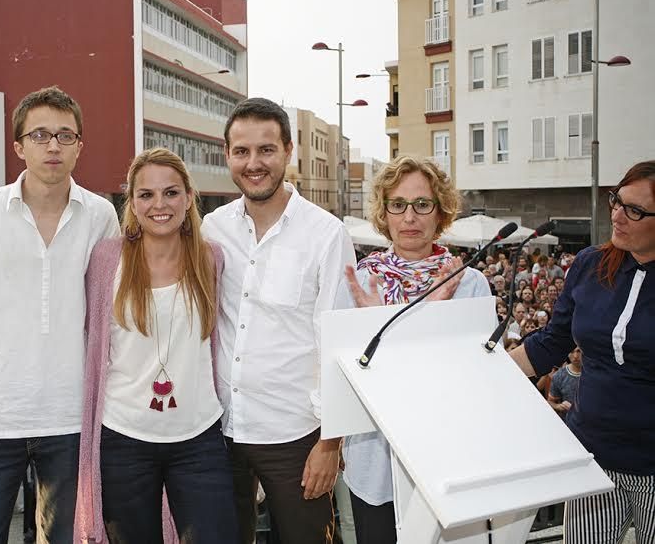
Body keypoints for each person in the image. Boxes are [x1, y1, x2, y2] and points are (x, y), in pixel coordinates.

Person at [0, 85, 120, 543]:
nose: (53, 145)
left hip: (72, 415)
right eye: (39, 135)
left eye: (65, 135)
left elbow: (110, 317)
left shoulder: (101, 216)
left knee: (67, 537)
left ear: (79, 146)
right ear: (18, 146)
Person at [201, 98, 356, 544]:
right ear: (227, 154)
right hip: (219, 429)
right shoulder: (212, 228)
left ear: (288, 150)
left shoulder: (326, 234)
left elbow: (339, 344)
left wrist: (331, 443)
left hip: (296, 435)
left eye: (266, 150)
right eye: (242, 151)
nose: (254, 163)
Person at [76, 148, 237, 543]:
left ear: (189, 198)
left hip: (199, 437)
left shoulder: (210, 259)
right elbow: (90, 339)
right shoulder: (106, 260)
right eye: (146, 194)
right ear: (132, 202)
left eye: (171, 192)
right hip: (123, 439)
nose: (159, 205)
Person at [340, 156, 490, 543]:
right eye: (398, 204)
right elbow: (344, 376)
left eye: (422, 204)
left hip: (447, 457)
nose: (410, 216)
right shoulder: (360, 281)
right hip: (375, 462)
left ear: (440, 212)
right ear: (384, 212)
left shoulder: (469, 284)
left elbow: (478, 381)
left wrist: (418, 325)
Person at [509, 161, 655, 543]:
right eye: (617, 201)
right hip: (593, 458)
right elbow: (552, 342)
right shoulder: (591, 264)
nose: (617, 215)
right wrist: (486, 370)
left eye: (634, 210)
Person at [547, 347, 582, 418]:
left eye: (579, 351)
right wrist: (558, 406)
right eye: (571, 351)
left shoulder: (594, 374)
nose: (575, 356)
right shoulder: (559, 375)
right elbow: (550, 402)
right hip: (567, 421)